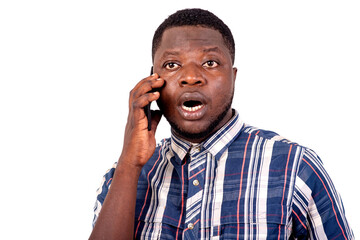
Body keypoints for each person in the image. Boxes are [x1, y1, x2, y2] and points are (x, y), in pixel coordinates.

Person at [89, 8, 354, 240]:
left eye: (210, 62)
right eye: (172, 64)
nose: (191, 77)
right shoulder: (121, 177)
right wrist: (129, 164)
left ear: (233, 77)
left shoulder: (295, 166)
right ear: (152, 80)